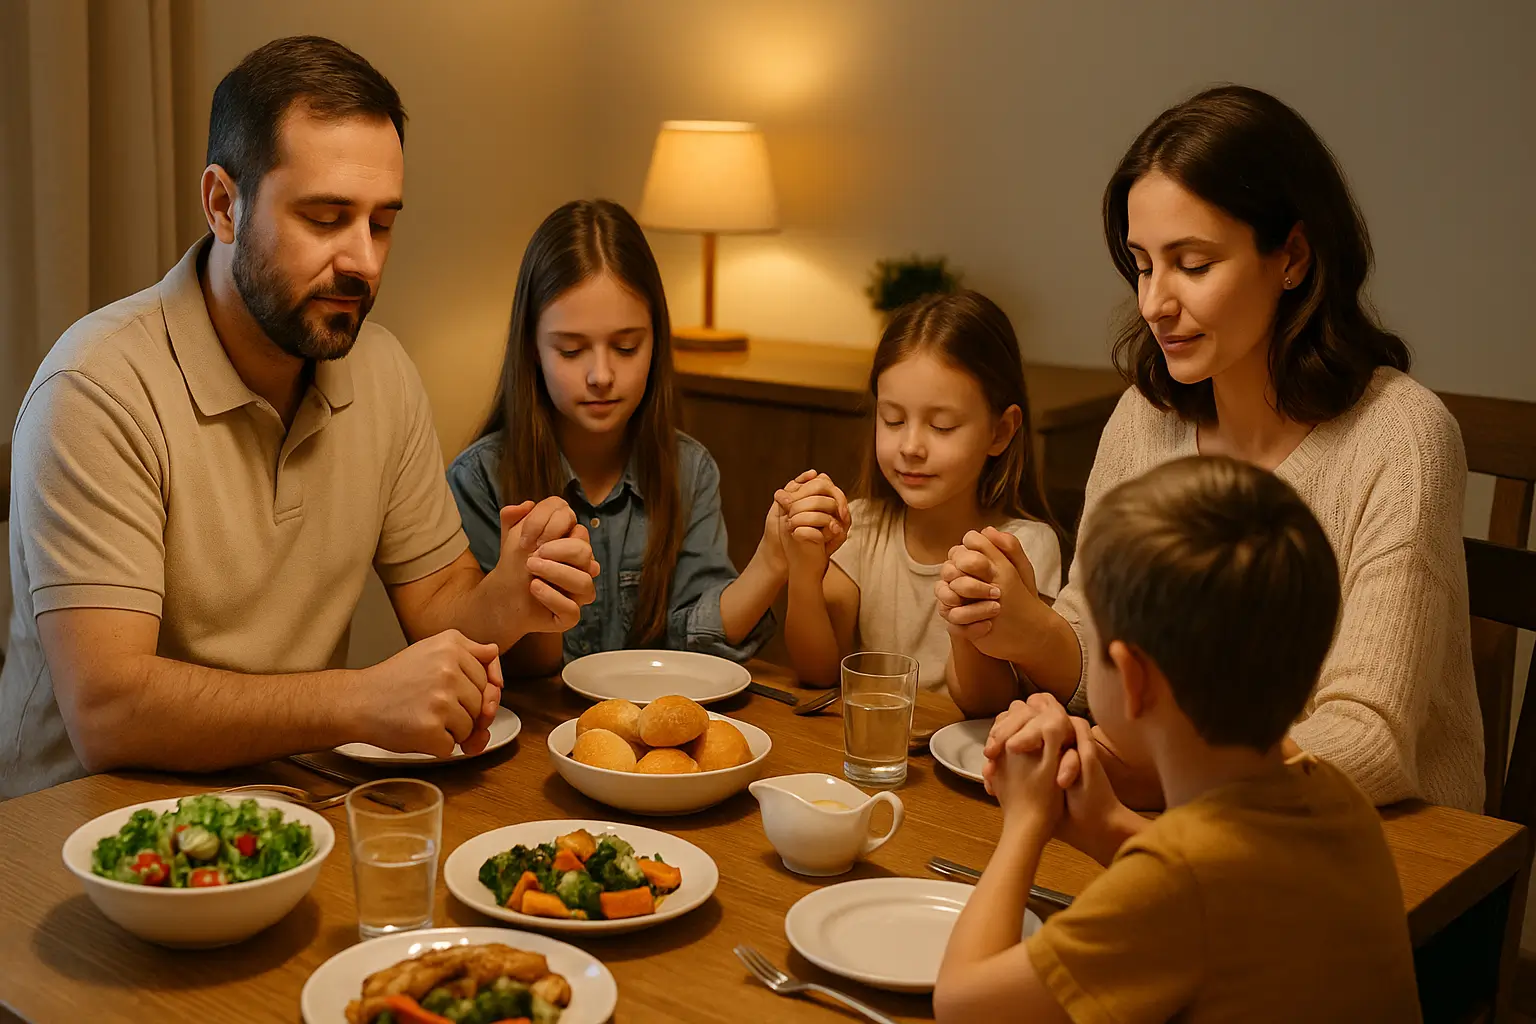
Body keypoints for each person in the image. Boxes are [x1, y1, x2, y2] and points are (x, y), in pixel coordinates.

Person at [0, 36, 597, 799]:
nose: (366, 263)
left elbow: (443, 607)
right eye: (325, 218)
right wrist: (359, 700)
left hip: (291, 801)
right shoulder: (97, 386)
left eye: (381, 224)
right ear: (223, 204)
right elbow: (109, 711)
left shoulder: (380, 370)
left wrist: (512, 594)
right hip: (77, 836)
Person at [938, 84, 1482, 811]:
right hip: (1183, 824)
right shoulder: (1145, 417)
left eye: (1192, 264)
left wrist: (1155, 775)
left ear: (1291, 255)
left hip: (1380, 856)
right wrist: (1028, 627)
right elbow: (1105, 669)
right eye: (1142, 264)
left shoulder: (1401, 439)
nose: (1156, 302)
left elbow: (1370, 744)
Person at [934, 455, 1421, 1023]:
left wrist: (1025, 824)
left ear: (1133, 681)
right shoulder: (1332, 796)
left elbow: (964, 1004)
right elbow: (1229, 898)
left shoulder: (1177, 887)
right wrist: (1102, 823)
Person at [447, 199, 777, 672]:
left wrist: (773, 560)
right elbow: (500, 669)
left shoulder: (689, 471)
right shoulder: (480, 480)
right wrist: (526, 588)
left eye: (626, 347)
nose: (601, 375)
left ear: (656, 342)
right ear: (533, 350)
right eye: (572, 349)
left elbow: (699, 647)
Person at [775, 290, 1062, 692]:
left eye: (942, 426)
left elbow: (991, 704)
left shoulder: (1023, 547)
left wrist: (968, 623)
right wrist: (804, 569)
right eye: (892, 420)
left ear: (1000, 431)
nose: (911, 447)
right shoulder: (862, 526)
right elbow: (818, 673)